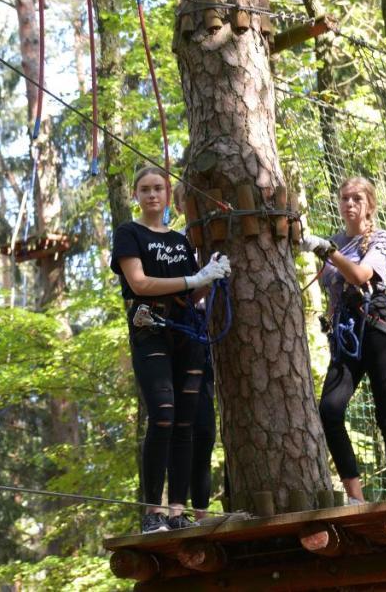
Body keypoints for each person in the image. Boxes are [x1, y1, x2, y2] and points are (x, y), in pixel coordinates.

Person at [111, 167, 230, 533]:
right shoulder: (129, 234)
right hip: (151, 331)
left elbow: (191, 293)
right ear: (136, 195)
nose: (152, 195)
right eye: (144, 189)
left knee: (185, 423)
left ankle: (177, 511)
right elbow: (140, 283)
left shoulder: (180, 242)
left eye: (158, 188)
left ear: (167, 194)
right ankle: (153, 512)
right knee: (162, 414)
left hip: (188, 334)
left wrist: (210, 277)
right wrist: (194, 278)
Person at [299, 176, 386, 503]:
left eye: (357, 199)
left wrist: (326, 250)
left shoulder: (381, 239)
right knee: (329, 410)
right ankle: (355, 497)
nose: (349, 204)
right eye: (345, 198)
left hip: (377, 327)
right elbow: (332, 292)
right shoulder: (332, 242)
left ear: (369, 205)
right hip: (345, 333)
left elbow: (360, 276)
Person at [171, 181, 217, 522]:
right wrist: (206, 280)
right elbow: (181, 299)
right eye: (187, 201)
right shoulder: (176, 245)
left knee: (209, 430)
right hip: (188, 343)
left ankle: (202, 507)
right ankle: (187, 511)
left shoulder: (216, 235)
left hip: (214, 342)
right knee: (194, 427)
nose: (193, 205)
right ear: (179, 206)